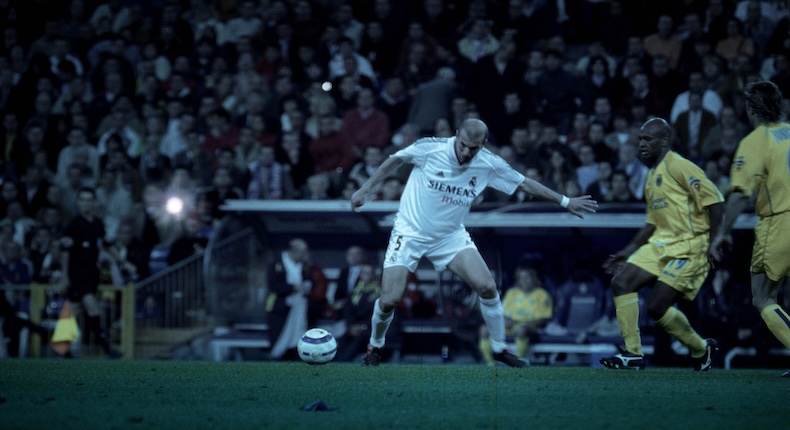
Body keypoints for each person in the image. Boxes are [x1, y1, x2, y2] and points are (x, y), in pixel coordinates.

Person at [350, 118, 598, 367]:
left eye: (474, 148)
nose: (467, 152)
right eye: (464, 145)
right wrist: (365, 189)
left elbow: (524, 183)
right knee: (390, 299)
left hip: (450, 236)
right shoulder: (431, 148)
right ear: (457, 135)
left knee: (487, 287)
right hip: (410, 232)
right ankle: (375, 346)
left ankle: (499, 348)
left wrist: (565, 201)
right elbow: (395, 159)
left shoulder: (488, 163)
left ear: (484, 144)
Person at [600, 118, 723, 371]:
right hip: (661, 243)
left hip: (689, 246)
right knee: (621, 283)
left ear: (664, 141)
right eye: (640, 139)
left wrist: (714, 243)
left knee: (656, 307)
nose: (641, 144)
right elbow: (651, 223)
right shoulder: (651, 175)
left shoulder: (680, 165)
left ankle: (701, 348)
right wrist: (627, 251)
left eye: (648, 139)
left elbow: (714, 203)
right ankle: (633, 354)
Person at [708, 81, 790, 377]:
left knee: (763, 297)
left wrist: (722, 232)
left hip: (780, 222)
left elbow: (740, 194)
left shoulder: (756, 141)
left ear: (751, 109)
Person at [60, 186, 122, 358]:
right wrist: (65, 275)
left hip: (92, 271)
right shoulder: (73, 225)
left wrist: (123, 261)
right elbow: (65, 252)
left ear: (94, 202)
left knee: (74, 309)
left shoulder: (98, 224)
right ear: (77, 202)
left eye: (89, 200)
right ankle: (107, 348)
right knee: (92, 307)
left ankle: (63, 349)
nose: (86, 203)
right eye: (82, 199)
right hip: (77, 271)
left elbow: (108, 245)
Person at [478, 265, 553, 366]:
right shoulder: (511, 293)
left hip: (529, 327)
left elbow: (542, 320)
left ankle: (518, 362)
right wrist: (505, 321)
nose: (524, 281)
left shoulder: (542, 295)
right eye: (521, 278)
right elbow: (501, 312)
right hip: (510, 325)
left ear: (534, 279)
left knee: (521, 329)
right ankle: (490, 364)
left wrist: (519, 323)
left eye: (527, 277)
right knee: (484, 329)